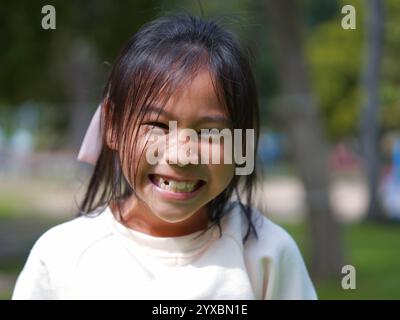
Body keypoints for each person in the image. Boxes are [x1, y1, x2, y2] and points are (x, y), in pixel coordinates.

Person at [12, 14, 317, 300]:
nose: (182, 156)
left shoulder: (268, 254)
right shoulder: (60, 257)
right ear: (114, 126)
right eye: (157, 125)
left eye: (211, 132)